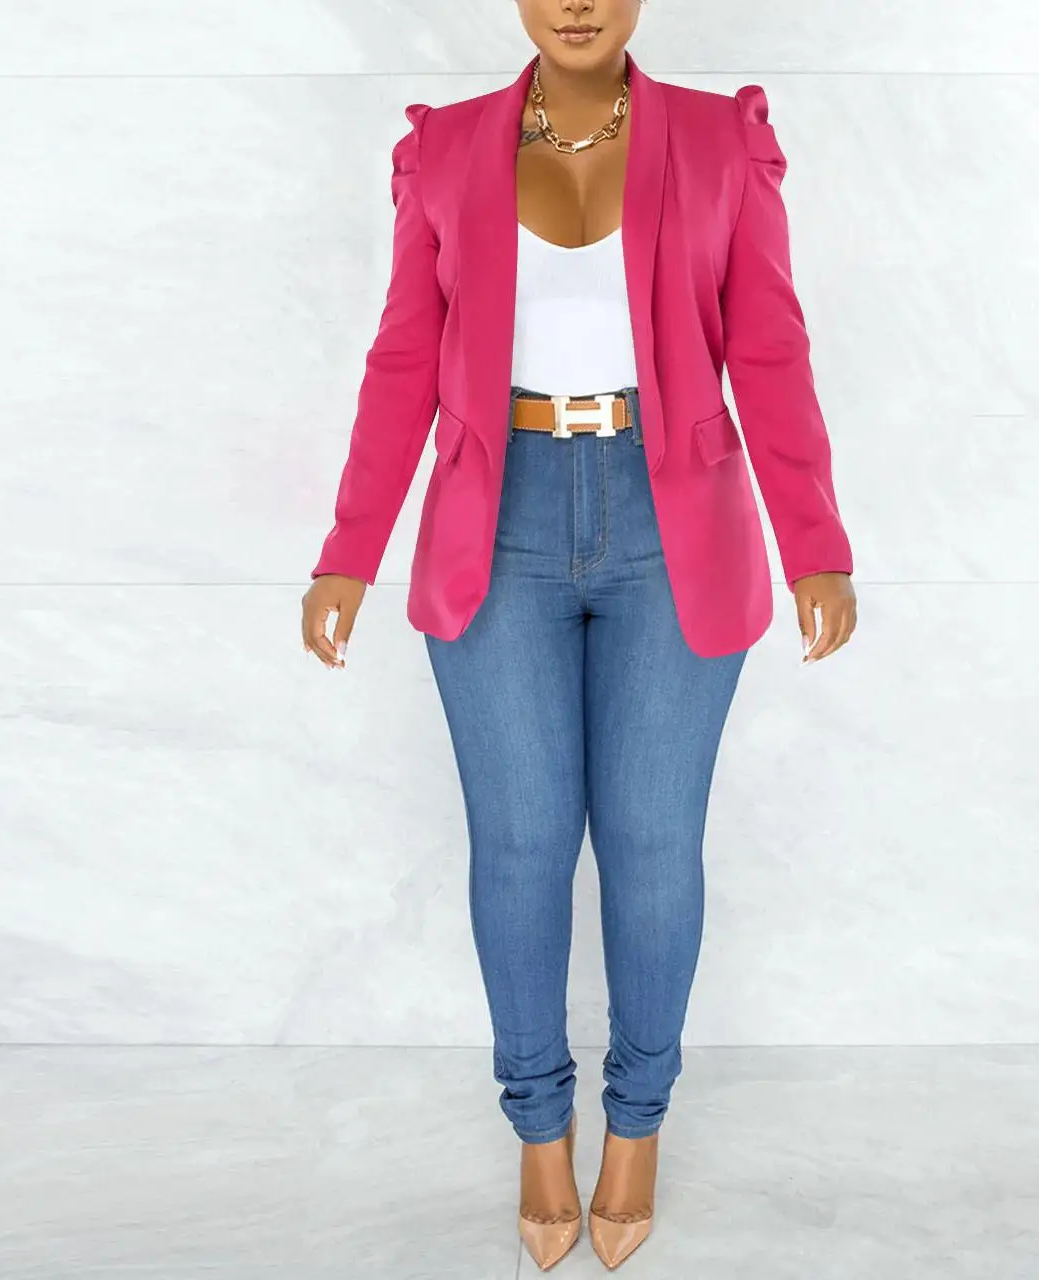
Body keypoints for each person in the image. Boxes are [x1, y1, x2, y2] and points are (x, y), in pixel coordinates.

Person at [300, 1, 857, 1269]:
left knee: (654, 844)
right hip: (497, 521)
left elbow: (770, 349)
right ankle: (539, 1131)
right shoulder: (446, 147)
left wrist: (814, 538)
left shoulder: (721, 140)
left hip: (677, 522)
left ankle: (639, 1124)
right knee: (522, 845)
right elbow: (404, 357)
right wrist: (349, 546)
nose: (578, 0)